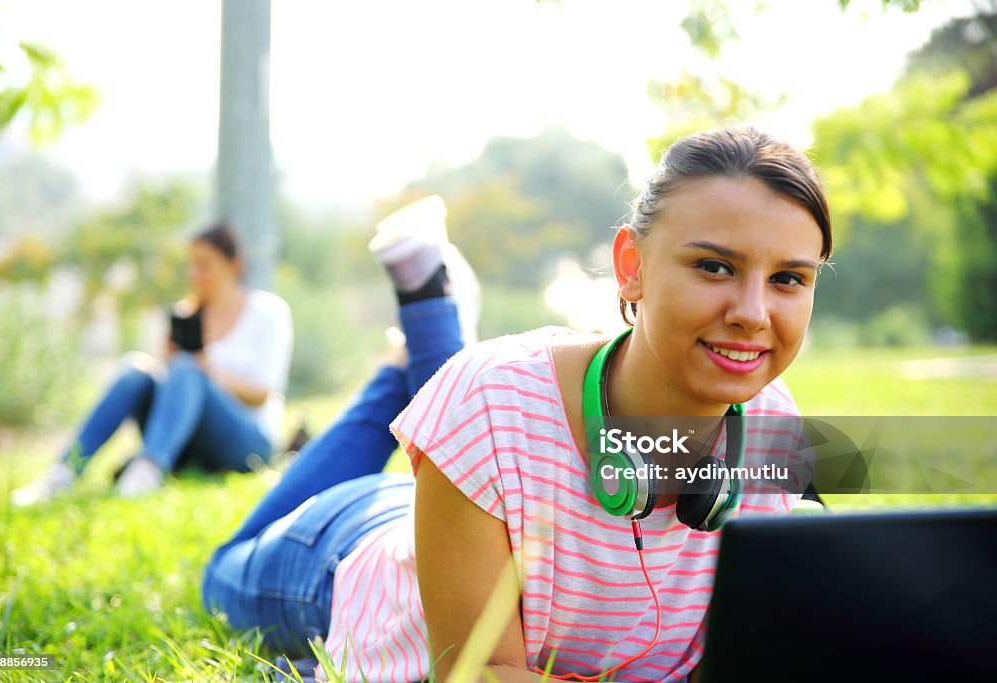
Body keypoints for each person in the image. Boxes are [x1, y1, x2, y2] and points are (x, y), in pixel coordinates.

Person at [204, 127, 832, 683]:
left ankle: (415, 358)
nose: (752, 314)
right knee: (221, 571)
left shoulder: (772, 420)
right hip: (339, 562)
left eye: (788, 279)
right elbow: (480, 672)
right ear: (631, 266)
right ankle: (424, 347)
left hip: (470, 500)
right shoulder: (491, 400)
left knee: (462, 409)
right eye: (715, 267)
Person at [12, 223, 294, 504]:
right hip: (191, 441)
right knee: (136, 371)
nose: (195, 275)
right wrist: (168, 362)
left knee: (186, 367)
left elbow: (263, 394)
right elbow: (173, 390)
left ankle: (147, 470)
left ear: (233, 265)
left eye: (204, 265)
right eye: (191, 265)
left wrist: (206, 371)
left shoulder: (268, 312)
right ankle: (63, 472)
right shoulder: (188, 313)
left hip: (247, 442)